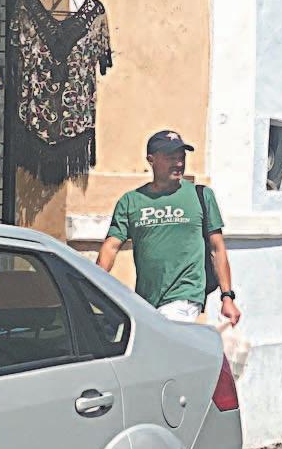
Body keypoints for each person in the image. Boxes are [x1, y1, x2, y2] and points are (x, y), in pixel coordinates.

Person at [98, 131, 241, 327]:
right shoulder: (131, 201)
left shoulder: (201, 196)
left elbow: (217, 248)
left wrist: (227, 297)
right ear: (151, 160)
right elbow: (111, 246)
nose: (179, 163)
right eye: (171, 157)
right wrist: (94, 283)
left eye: (181, 157)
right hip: (146, 301)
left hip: (185, 295)